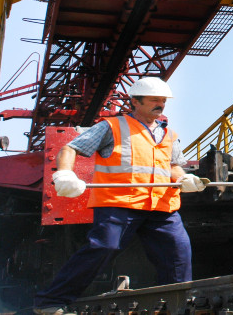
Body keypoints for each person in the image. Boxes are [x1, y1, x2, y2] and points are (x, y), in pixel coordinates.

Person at [32, 77, 205, 314]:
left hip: (162, 205)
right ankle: (50, 301)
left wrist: (183, 178)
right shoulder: (112, 127)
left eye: (163, 100)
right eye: (154, 99)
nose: (160, 104)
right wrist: (63, 174)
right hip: (120, 202)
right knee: (104, 247)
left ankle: (177, 306)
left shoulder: (169, 135)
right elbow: (71, 148)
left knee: (178, 251)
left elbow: (173, 165)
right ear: (135, 101)